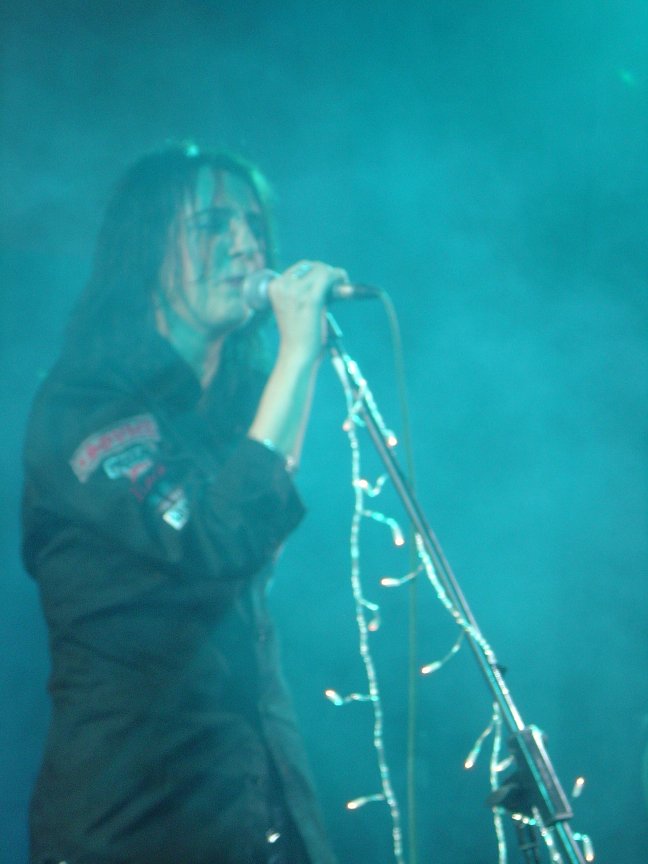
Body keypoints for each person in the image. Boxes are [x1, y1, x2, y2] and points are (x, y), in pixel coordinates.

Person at [22, 144, 347, 864]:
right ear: (146, 249)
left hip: (255, 802)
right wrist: (298, 356)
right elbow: (213, 537)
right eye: (212, 225)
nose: (247, 245)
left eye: (255, 225)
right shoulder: (85, 406)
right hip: (134, 821)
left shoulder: (227, 415)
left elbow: (251, 543)